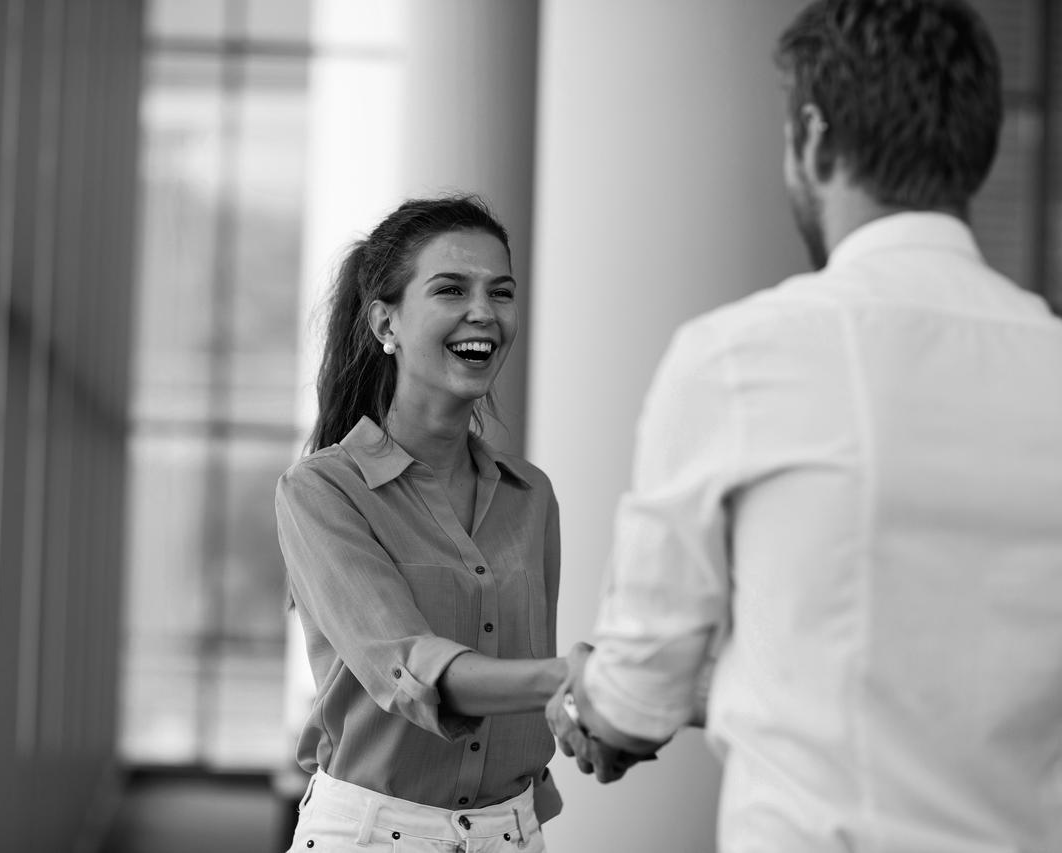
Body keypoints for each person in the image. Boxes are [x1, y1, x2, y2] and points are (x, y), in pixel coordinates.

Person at [546, 0, 1062, 851]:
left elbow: (634, 701)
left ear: (815, 138)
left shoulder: (739, 358)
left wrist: (583, 695)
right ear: (977, 150)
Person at [276, 195, 576, 853]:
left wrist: (587, 706)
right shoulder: (322, 491)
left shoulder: (533, 497)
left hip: (513, 832)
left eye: (502, 292)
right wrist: (573, 676)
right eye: (451, 289)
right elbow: (407, 664)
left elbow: (525, 697)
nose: (484, 312)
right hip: (372, 837)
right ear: (386, 322)